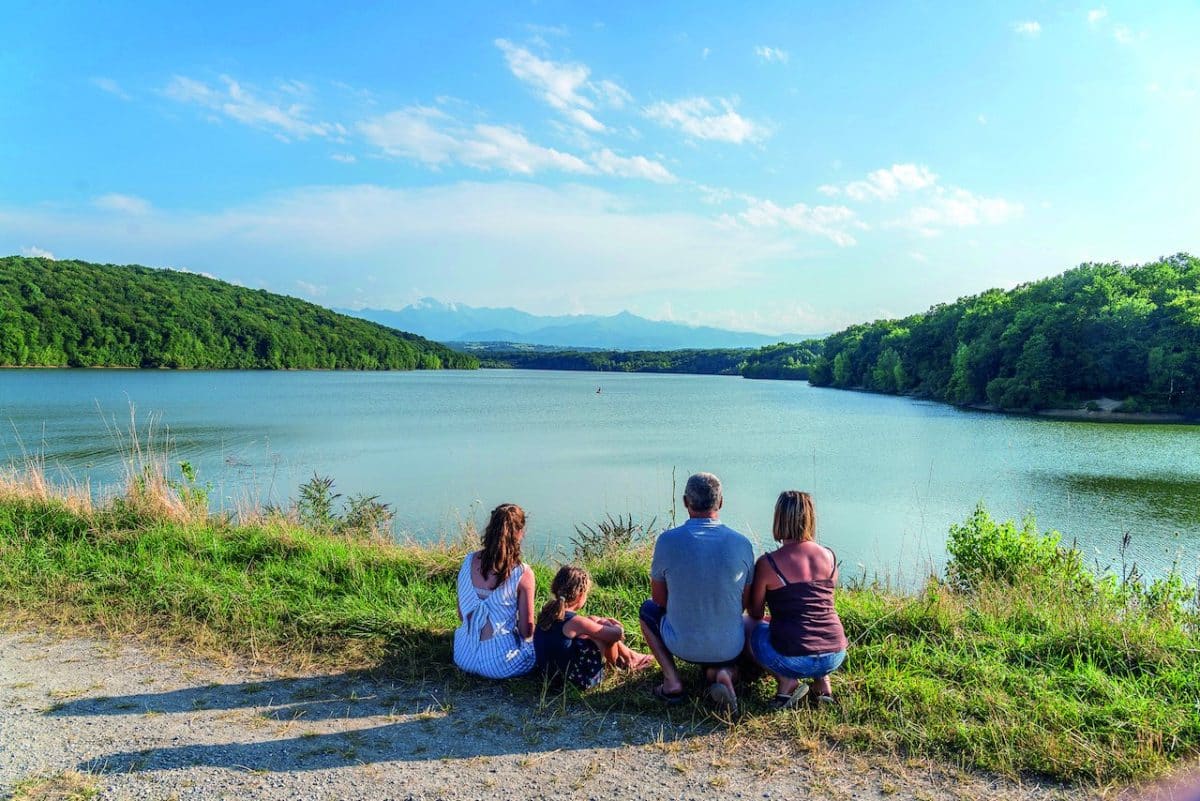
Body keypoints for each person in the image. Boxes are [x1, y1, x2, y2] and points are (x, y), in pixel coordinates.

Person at [639, 472, 755, 711]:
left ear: (685, 502)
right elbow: (744, 602)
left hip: (681, 645)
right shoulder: (742, 543)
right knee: (728, 649)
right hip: (729, 645)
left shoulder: (667, 541)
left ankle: (672, 681)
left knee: (647, 610)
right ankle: (725, 673)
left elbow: (659, 600)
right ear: (720, 502)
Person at [747, 490, 848, 709]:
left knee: (752, 630)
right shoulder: (829, 556)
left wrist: (770, 618)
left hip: (793, 658)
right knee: (815, 635)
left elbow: (754, 612)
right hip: (835, 654)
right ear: (810, 518)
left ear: (779, 518)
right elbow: (822, 605)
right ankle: (822, 684)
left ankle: (787, 682)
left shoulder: (768, 563)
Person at [533, 565, 654, 689]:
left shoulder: (548, 612)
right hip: (572, 681)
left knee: (593, 620)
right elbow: (615, 635)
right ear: (580, 595)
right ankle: (617, 666)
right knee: (604, 631)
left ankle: (630, 657)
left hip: (547, 675)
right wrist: (616, 625)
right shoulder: (575, 622)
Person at [453, 502, 536, 679]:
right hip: (499, 663)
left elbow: (462, 615)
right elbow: (526, 630)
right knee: (538, 645)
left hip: (463, 654)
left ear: (490, 529)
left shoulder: (468, 562)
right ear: (520, 533)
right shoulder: (523, 574)